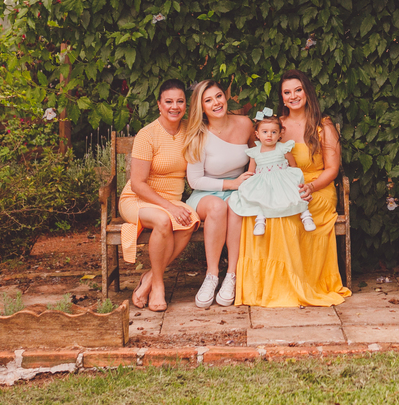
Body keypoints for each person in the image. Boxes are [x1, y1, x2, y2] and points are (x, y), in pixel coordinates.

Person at [235, 69, 351, 306]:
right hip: (279, 183)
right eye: (287, 92)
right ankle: (265, 285)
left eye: (298, 90)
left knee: (287, 214)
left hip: (316, 186)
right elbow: (261, 158)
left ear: (307, 92)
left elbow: (332, 169)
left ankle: (293, 283)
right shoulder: (276, 126)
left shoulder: (322, 126)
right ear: (282, 97)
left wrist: (311, 186)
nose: (293, 96)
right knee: (256, 210)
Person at [117, 79, 201, 312]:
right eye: (169, 102)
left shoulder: (190, 130)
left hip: (170, 200)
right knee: (164, 220)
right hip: (138, 199)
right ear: (159, 105)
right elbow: (137, 184)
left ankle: (150, 277)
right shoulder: (147, 134)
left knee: (190, 221)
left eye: (180, 101)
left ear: (186, 105)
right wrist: (170, 207)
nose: (174, 107)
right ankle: (159, 286)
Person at [182, 80, 254, 308]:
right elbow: (195, 180)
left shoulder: (245, 124)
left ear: (226, 97)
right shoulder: (198, 134)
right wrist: (232, 184)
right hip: (206, 192)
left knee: (235, 205)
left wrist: (250, 177)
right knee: (217, 206)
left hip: (238, 190)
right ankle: (211, 276)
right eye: (208, 100)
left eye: (219, 96)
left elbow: (258, 152)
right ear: (201, 107)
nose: (216, 103)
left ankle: (231, 275)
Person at [227, 111, 316, 236]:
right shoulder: (255, 152)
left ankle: (306, 216)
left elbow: (293, 165)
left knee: (295, 192)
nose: (269, 135)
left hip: (282, 179)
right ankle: (260, 220)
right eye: (265, 132)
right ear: (257, 134)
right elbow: (251, 172)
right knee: (260, 196)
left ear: (280, 134)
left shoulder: (283, 148)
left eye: (274, 132)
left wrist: (292, 179)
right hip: (263, 182)